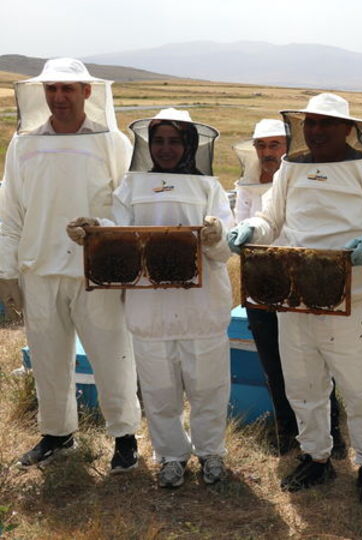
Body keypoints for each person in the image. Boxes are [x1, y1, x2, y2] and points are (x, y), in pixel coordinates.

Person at [227, 93, 362, 507]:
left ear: (348, 129)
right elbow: (272, 217)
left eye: (327, 123)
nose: (317, 130)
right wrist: (252, 230)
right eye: (311, 123)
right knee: (303, 384)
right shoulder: (292, 166)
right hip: (295, 297)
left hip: (351, 301)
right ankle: (316, 456)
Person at [67, 108, 234, 488]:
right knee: (160, 391)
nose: (166, 148)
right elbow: (118, 232)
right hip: (149, 305)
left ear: (190, 144)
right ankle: (171, 456)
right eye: (159, 141)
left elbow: (226, 246)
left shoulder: (209, 186)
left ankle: (211, 452)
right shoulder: (131, 186)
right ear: (148, 144)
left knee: (208, 386)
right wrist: (95, 231)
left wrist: (216, 234)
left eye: (175, 141)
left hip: (202, 306)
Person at [0, 58, 141, 472]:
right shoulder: (23, 143)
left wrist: (109, 234)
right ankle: (57, 433)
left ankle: (125, 435)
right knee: (47, 356)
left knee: (112, 353)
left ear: (87, 92)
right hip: (38, 267)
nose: (58, 97)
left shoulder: (113, 142)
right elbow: (10, 214)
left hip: (98, 269)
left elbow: (128, 205)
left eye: (67, 89)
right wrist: (7, 271)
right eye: (52, 89)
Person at [232, 119, 347, 455]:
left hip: (304, 283)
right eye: (261, 146)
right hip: (261, 285)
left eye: (274, 145)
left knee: (319, 361)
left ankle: (331, 430)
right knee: (273, 362)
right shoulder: (247, 185)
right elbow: (244, 227)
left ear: (288, 147)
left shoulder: (304, 178)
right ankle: (287, 429)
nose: (267, 153)